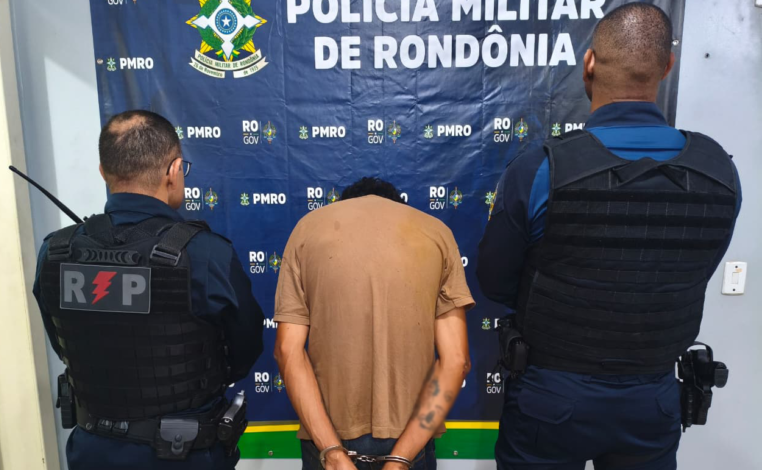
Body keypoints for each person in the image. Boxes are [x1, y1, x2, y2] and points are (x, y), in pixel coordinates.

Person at [477, 4, 742, 470]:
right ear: (667, 66)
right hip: (653, 399)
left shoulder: (540, 170)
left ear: (589, 64)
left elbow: (495, 282)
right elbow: (698, 269)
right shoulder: (718, 171)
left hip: (552, 396)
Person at [32, 110, 265, 469]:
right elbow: (245, 348)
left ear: (103, 172)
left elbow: (59, 340)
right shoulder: (205, 254)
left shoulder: (56, 251)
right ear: (174, 171)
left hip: (92, 451)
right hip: (184, 454)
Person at [273, 177, 475, 470]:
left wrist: (333, 453)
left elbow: (286, 351)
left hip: (326, 443)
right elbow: (456, 361)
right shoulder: (436, 233)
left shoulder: (307, 229)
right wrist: (401, 459)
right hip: (411, 444)